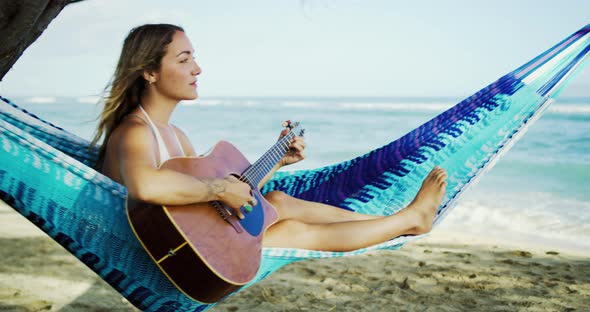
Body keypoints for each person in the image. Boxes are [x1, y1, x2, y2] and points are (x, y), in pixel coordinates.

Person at [91, 23, 447, 252]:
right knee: (291, 231)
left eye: (194, 58)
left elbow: (211, 204)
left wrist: (277, 159)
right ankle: (406, 221)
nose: (197, 69)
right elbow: (146, 187)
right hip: (166, 258)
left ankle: (398, 222)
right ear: (150, 72)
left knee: (278, 200)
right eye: (184, 60)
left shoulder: (176, 135)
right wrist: (219, 189)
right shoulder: (135, 132)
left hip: (191, 240)